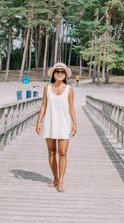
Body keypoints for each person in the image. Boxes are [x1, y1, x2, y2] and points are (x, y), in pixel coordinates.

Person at [36, 62, 77, 193]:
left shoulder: (69, 89)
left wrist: (74, 124)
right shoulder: (47, 87)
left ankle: (61, 181)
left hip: (64, 124)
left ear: (65, 75)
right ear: (53, 73)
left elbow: (71, 107)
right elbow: (43, 105)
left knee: (63, 153)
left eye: (62, 72)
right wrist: (38, 122)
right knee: (52, 151)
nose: (59, 73)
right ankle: (55, 179)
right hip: (50, 123)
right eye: (57, 71)